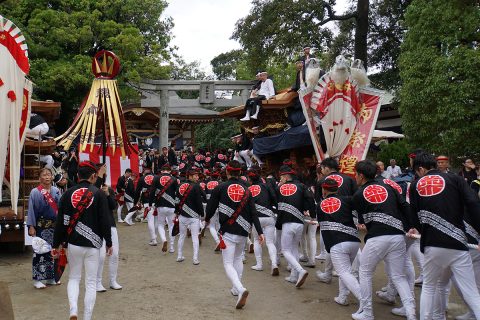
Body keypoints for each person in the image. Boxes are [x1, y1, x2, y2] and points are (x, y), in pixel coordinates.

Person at [407, 152, 480, 319]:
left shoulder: (416, 184)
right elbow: (473, 203)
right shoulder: (456, 179)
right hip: (458, 245)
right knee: (472, 293)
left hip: (432, 244)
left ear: (420, 169)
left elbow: (414, 214)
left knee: (430, 287)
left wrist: (417, 228)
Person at [352, 160, 416, 320]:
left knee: (365, 272)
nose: (355, 177)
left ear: (360, 175)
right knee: (398, 276)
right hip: (397, 236)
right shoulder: (389, 187)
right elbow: (405, 206)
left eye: (355, 174)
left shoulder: (359, 194)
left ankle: (367, 312)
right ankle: (410, 311)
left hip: (377, 238)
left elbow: (362, 222)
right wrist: (411, 226)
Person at [52, 161, 112, 320]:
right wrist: (109, 242)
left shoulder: (67, 193)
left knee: (74, 278)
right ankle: (87, 317)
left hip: (73, 243)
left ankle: (73, 310)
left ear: (78, 176)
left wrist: (55, 244)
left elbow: (61, 221)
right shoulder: (98, 194)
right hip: (93, 244)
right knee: (91, 282)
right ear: (93, 176)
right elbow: (104, 220)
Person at [205, 160, 264, 309]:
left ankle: (240, 288)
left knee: (227, 263)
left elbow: (211, 208)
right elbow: (253, 212)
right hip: (244, 231)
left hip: (228, 230)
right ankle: (236, 289)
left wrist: (206, 220)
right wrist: (260, 232)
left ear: (227, 172)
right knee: (238, 258)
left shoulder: (220, 187)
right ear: (240, 173)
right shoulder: (247, 189)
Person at [317, 178, 361, 306]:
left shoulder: (320, 205)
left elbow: (323, 227)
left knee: (344, 272)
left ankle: (365, 300)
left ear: (324, 190)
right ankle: (342, 297)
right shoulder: (347, 200)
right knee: (346, 271)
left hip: (337, 243)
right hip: (354, 242)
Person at [276, 165, 315, 288]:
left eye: (281, 176)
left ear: (287, 176)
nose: (280, 178)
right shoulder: (302, 186)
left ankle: (300, 270)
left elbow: (274, 202)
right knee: (294, 249)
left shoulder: (280, 188)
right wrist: (312, 214)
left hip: (287, 223)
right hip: (299, 223)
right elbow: (310, 199)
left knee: (285, 250)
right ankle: (293, 276)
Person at [27, 168, 61, 289]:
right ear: (40, 178)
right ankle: (37, 279)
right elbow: (31, 210)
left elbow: (60, 209)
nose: (47, 177)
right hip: (41, 226)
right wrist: (31, 226)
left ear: (52, 177)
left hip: (55, 226)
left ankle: (51, 278)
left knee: (53, 252)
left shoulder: (56, 191)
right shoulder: (35, 192)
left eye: (49, 174)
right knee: (40, 252)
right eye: (44, 175)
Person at [247, 165, 279, 275]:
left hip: (257, 218)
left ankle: (259, 264)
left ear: (250, 180)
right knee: (270, 242)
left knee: (256, 240)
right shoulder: (266, 186)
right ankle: (274, 263)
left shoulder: (248, 189)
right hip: (269, 216)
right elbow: (274, 198)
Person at [96, 182, 122, 292]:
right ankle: (97, 282)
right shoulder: (92, 191)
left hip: (111, 225)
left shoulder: (109, 191)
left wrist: (107, 194)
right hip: (97, 227)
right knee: (101, 256)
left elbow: (113, 206)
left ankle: (113, 281)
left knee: (114, 254)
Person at [176, 168, 204, 265]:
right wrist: (202, 213)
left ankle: (179, 256)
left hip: (182, 215)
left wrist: (176, 212)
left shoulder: (179, 185)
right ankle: (195, 259)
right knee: (195, 237)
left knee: (182, 236)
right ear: (190, 176)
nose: (197, 177)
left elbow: (176, 201)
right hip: (194, 215)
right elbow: (199, 201)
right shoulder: (196, 186)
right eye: (195, 175)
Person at [149, 164, 178, 253]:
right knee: (171, 226)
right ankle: (172, 247)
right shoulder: (174, 179)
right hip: (172, 206)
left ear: (161, 171)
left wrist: (150, 204)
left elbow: (152, 192)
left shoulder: (156, 178)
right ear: (170, 171)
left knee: (160, 225)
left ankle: (164, 240)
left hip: (160, 205)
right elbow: (177, 194)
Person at [133, 166, 156, 241]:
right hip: (157, 201)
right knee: (157, 221)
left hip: (147, 201)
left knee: (150, 220)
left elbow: (137, 191)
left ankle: (153, 238)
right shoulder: (156, 177)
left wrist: (135, 202)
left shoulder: (141, 178)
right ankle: (155, 236)